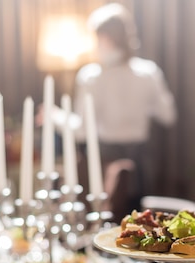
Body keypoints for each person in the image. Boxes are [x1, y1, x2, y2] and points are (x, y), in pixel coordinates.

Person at [73, 2, 176, 204]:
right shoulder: (148, 73)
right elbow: (168, 115)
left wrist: (56, 117)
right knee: (141, 217)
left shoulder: (92, 77)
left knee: (112, 213)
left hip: (108, 160)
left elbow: (82, 131)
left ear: (105, 37)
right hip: (143, 159)